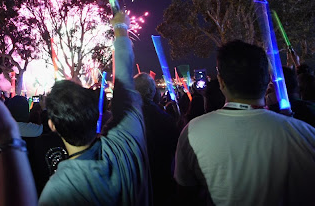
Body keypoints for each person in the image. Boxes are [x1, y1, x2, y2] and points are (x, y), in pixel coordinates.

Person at [174, 40, 315, 205]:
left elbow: (185, 194)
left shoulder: (193, 131)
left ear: (221, 82)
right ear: (268, 80)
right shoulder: (305, 133)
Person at [38, 11, 151, 205]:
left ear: (52, 125)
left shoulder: (57, 192)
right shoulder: (127, 139)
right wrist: (121, 29)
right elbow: (124, 85)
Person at [134, 72, 179, 205]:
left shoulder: (120, 120)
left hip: (133, 187)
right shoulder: (166, 120)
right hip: (161, 184)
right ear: (153, 92)